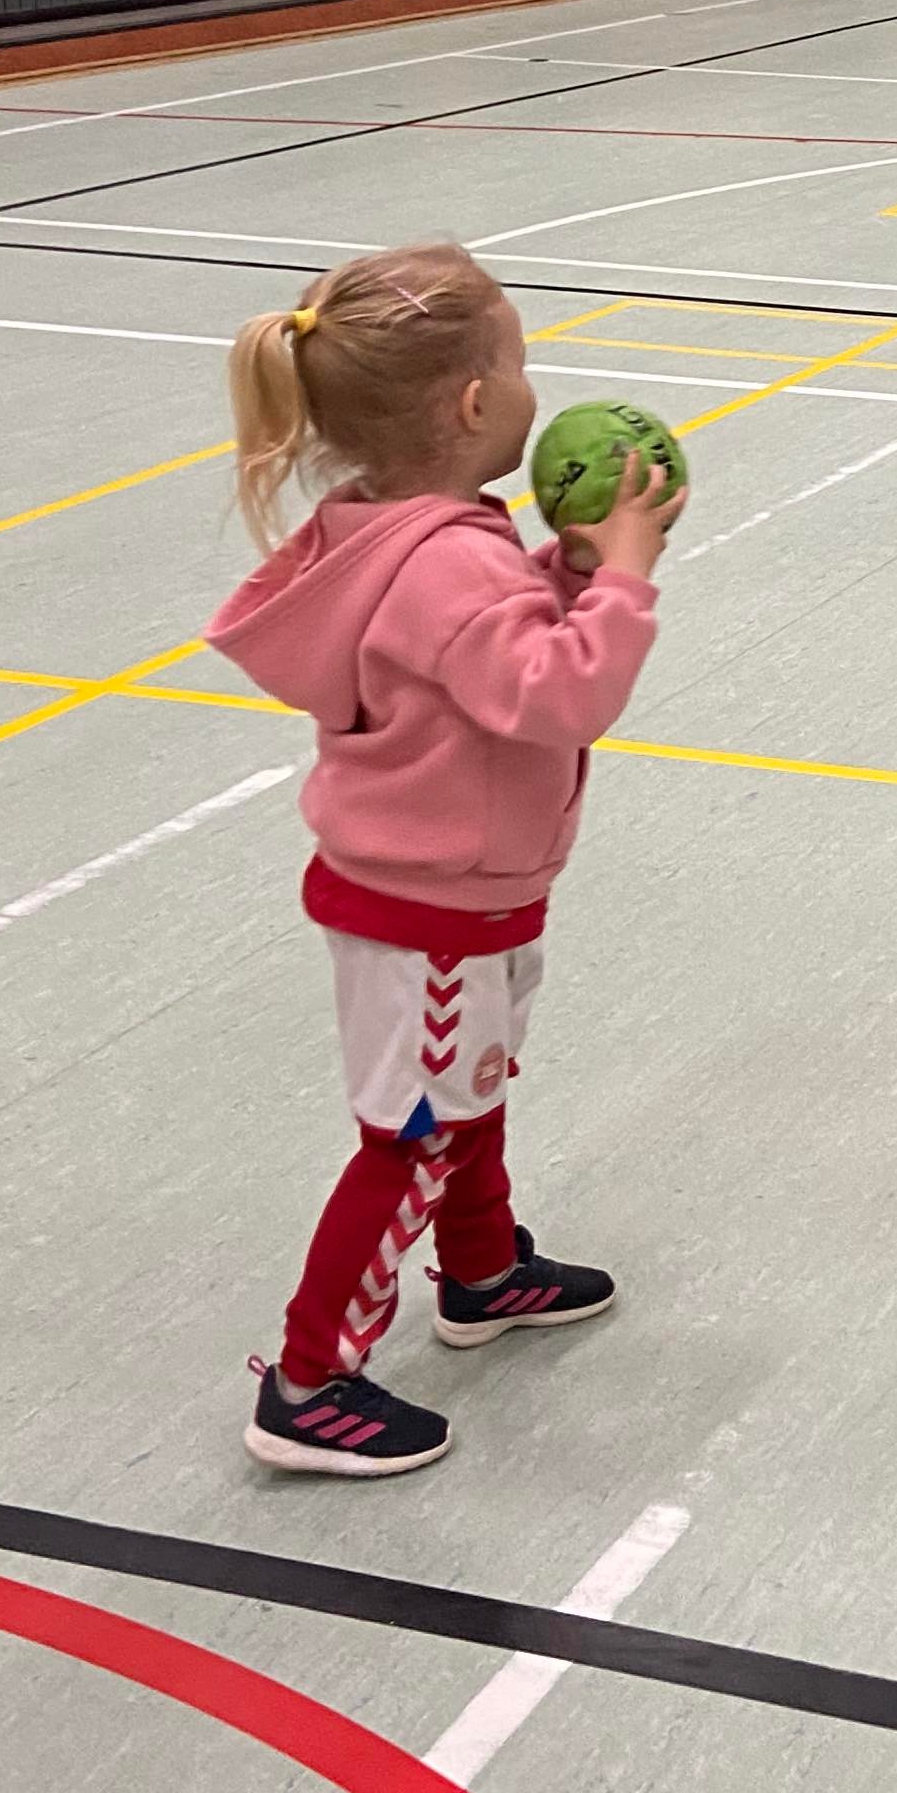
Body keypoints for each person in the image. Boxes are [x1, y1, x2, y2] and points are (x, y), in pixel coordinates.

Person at [207, 242, 682, 1475]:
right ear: (475, 404)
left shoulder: (419, 531)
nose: (530, 384)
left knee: (466, 1092)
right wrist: (627, 580)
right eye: (518, 363)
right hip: (429, 913)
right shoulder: (447, 556)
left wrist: (567, 570)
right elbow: (558, 693)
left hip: (453, 894)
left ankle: (478, 1271)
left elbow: (484, 649)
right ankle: (308, 1383)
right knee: (415, 1131)